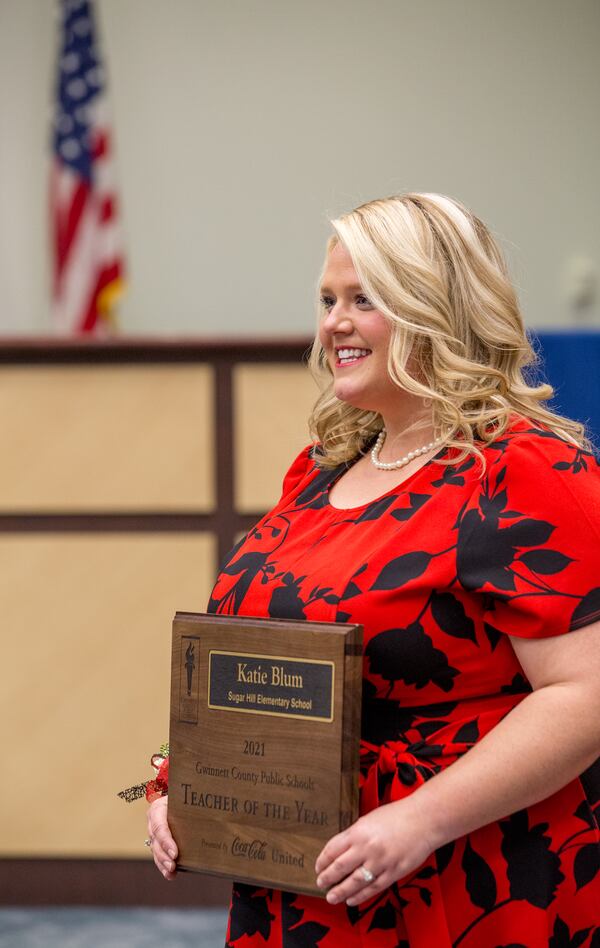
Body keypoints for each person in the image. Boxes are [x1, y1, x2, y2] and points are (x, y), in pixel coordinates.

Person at [147, 193, 600, 946]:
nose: (334, 323)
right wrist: (177, 785)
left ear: (438, 311)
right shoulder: (320, 472)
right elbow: (257, 670)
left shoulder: (522, 470)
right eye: (328, 300)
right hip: (308, 885)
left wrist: (420, 819)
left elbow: (585, 695)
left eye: (365, 299)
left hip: (461, 882)